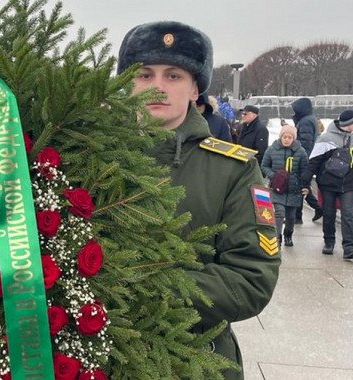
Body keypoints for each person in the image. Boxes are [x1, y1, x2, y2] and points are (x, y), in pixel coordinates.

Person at [117, 21, 280, 379]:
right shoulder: (93, 156)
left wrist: (144, 288)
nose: (157, 87)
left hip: (194, 361)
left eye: (173, 76)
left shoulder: (234, 170)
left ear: (195, 90)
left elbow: (252, 278)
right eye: (144, 75)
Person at [301, 110, 353, 261]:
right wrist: (305, 181)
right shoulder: (326, 139)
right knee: (328, 213)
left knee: (348, 215)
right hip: (328, 183)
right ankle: (329, 241)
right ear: (347, 124)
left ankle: (349, 247)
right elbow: (314, 162)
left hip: (349, 184)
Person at [261, 123, 308, 247]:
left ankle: (288, 234)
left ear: (294, 138)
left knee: (291, 216)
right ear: (281, 137)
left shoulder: (300, 151)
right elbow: (264, 165)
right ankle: (277, 236)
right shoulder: (272, 149)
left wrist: (304, 185)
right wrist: (273, 175)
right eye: (284, 137)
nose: (286, 139)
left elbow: (305, 170)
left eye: (289, 137)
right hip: (277, 188)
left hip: (294, 189)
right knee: (279, 213)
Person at [292, 97, 323, 223]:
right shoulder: (310, 119)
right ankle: (298, 215)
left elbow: (305, 142)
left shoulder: (305, 121)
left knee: (300, 185)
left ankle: (314, 209)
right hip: (308, 156)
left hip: (304, 158)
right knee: (302, 185)